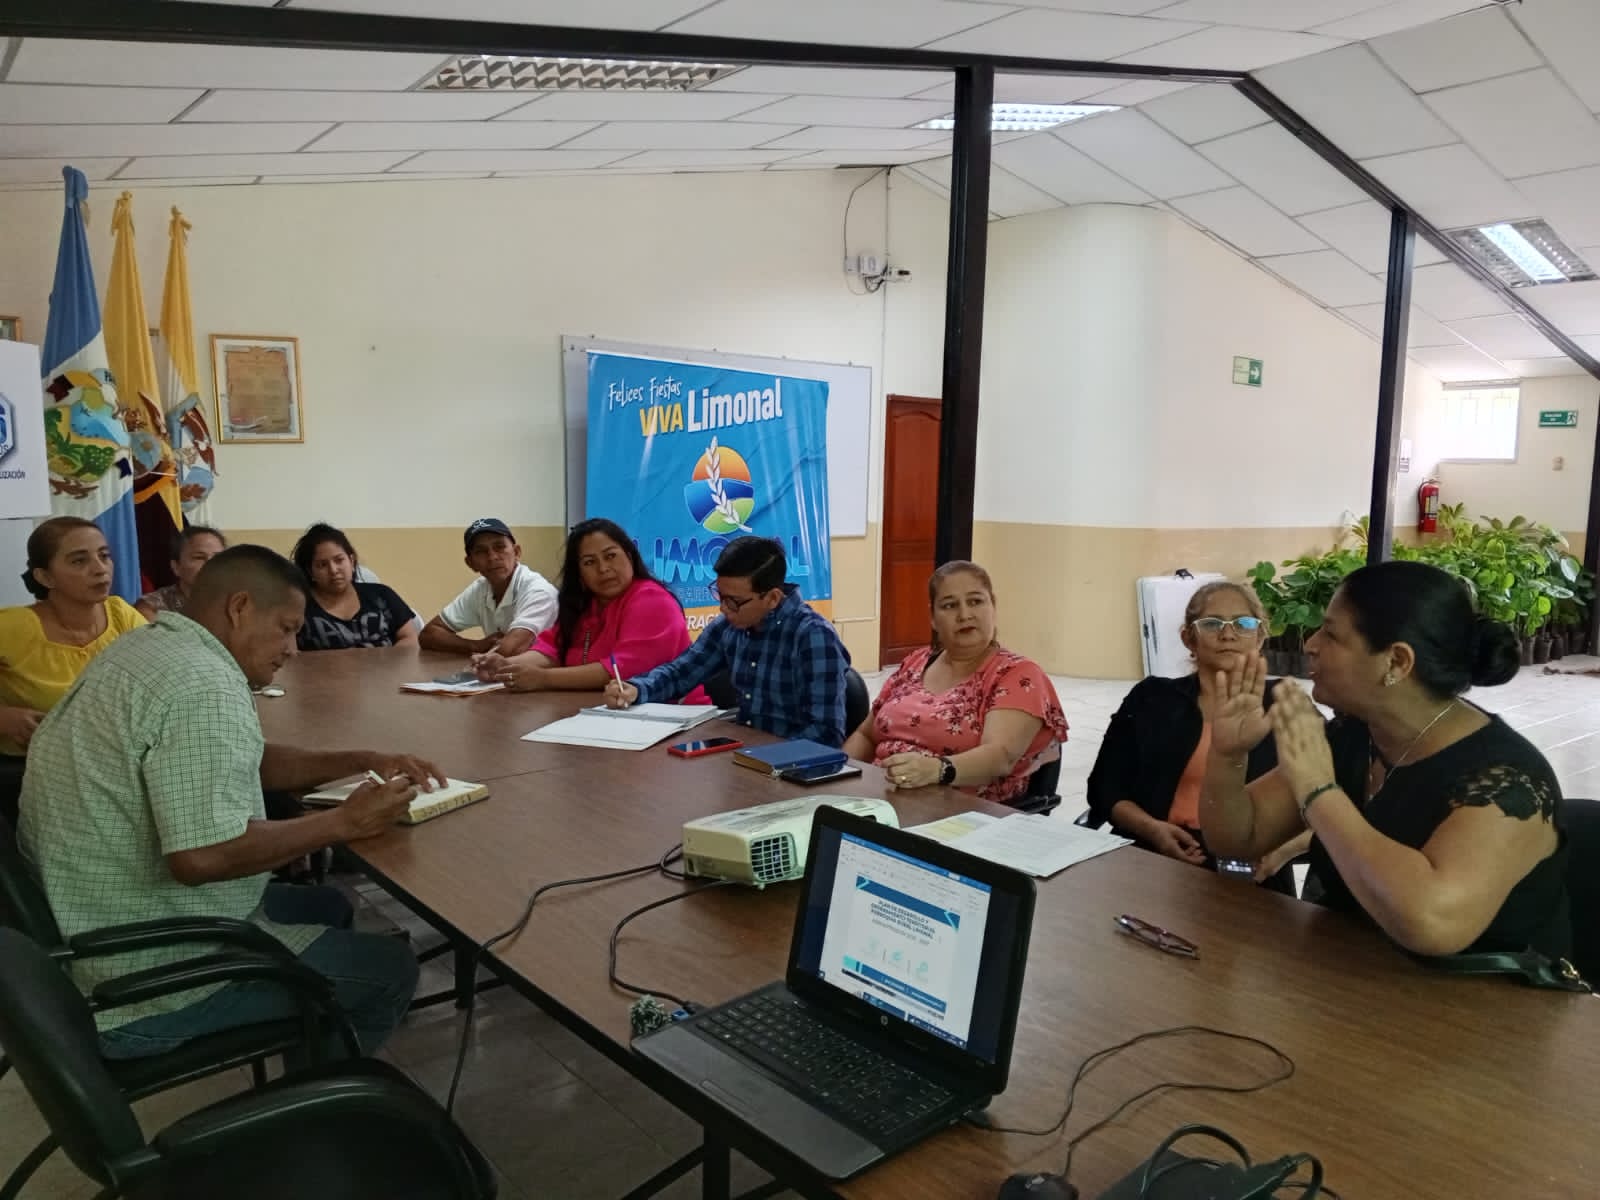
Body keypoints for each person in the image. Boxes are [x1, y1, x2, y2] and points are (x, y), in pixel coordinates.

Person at [18, 545, 438, 1057]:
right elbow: (201, 857)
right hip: (141, 983)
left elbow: (244, 760)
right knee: (391, 969)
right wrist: (343, 823)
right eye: (286, 629)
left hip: (87, 921)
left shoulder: (150, 645)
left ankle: (315, 1035)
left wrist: (360, 759)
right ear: (239, 608)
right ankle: (323, 1093)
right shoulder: (205, 684)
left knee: (329, 904)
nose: (293, 649)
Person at [1201, 560, 1569, 961]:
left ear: (1396, 662)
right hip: (1352, 976)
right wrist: (1228, 755)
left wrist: (1318, 791)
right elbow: (1237, 838)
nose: (1311, 644)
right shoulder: (1355, 733)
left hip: (1480, 996)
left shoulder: (1508, 780)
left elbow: (1431, 924)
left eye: (1332, 634)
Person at [1086, 580, 1305, 891]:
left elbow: (1331, 802)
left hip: (1253, 874)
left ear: (1259, 637)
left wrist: (1282, 850)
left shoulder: (1286, 703)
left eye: (1243, 624)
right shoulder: (1152, 698)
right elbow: (1104, 789)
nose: (1228, 634)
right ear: (1188, 638)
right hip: (1151, 858)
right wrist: (1152, 829)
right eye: (1212, 623)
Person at [842, 562, 1067, 804]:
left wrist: (936, 770)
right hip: (880, 798)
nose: (964, 615)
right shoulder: (916, 662)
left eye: (975, 601)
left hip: (961, 811)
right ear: (933, 618)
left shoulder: (1018, 674)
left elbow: (1000, 757)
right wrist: (836, 774)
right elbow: (866, 735)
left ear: (993, 606)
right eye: (950, 605)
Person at [604, 536, 851, 746]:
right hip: (743, 755)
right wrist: (637, 689)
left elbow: (825, 733)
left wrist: (765, 760)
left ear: (773, 598)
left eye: (734, 601)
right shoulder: (729, 626)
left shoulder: (813, 637)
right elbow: (682, 672)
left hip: (790, 766)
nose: (723, 608)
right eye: (720, 596)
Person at [473, 517, 707, 701]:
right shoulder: (585, 605)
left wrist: (543, 679)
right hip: (602, 713)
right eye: (589, 562)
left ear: (629, 555)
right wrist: (506, 666)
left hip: (672, 719)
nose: (603, 568)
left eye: (610, 556)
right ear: (579, 574)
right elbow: (552, 650)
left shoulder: (652, 600)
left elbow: (621, 670)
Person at [0, 517, 146, 761]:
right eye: (79, 561)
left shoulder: (121, 615)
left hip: (110, 763)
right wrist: (3, 718)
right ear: (45, 577)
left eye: (104, 556)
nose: (100, 569)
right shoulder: (13, 626)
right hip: (24, 768)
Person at [419, 518, 557, 656]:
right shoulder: (481, 589)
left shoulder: (539, 591)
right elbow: (428, 634)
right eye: (481, 551)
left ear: (516, 552)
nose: (492, 557)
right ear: (470, 563)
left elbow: (511, 649)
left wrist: (483, 651)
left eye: (499, 547)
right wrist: (475, 646)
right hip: (507, 668)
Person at [291, 523, 420, 651]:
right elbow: (290, 653)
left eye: (339, 560)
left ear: (351, 562)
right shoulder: (298, 607)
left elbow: (410, 638)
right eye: (322, 565)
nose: (333, 570)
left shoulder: (381, 595)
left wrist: (387, 662)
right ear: (310, 572)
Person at [135, 525, 227, 620]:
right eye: (199, 557)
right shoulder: (152, 607)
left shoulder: (234, 603)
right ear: (176, 567)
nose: (210, 564)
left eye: (218, 557)